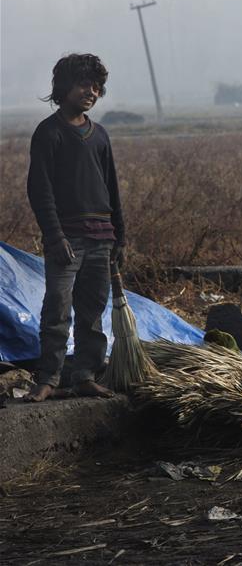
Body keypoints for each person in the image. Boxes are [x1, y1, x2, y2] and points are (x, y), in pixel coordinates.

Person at [24, 53, 125, 402]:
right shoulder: (49, 133)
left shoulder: (100, 137)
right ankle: (48, 379)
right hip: (67, 239)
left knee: (92, 311)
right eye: (84, 84)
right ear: (64, 87)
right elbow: (40, 190)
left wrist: (119, 238)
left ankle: (84, 375)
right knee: (57, 308)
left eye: (97, 87)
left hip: (102, 238)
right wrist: (54, 237)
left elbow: (111, 188)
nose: (91, 92)